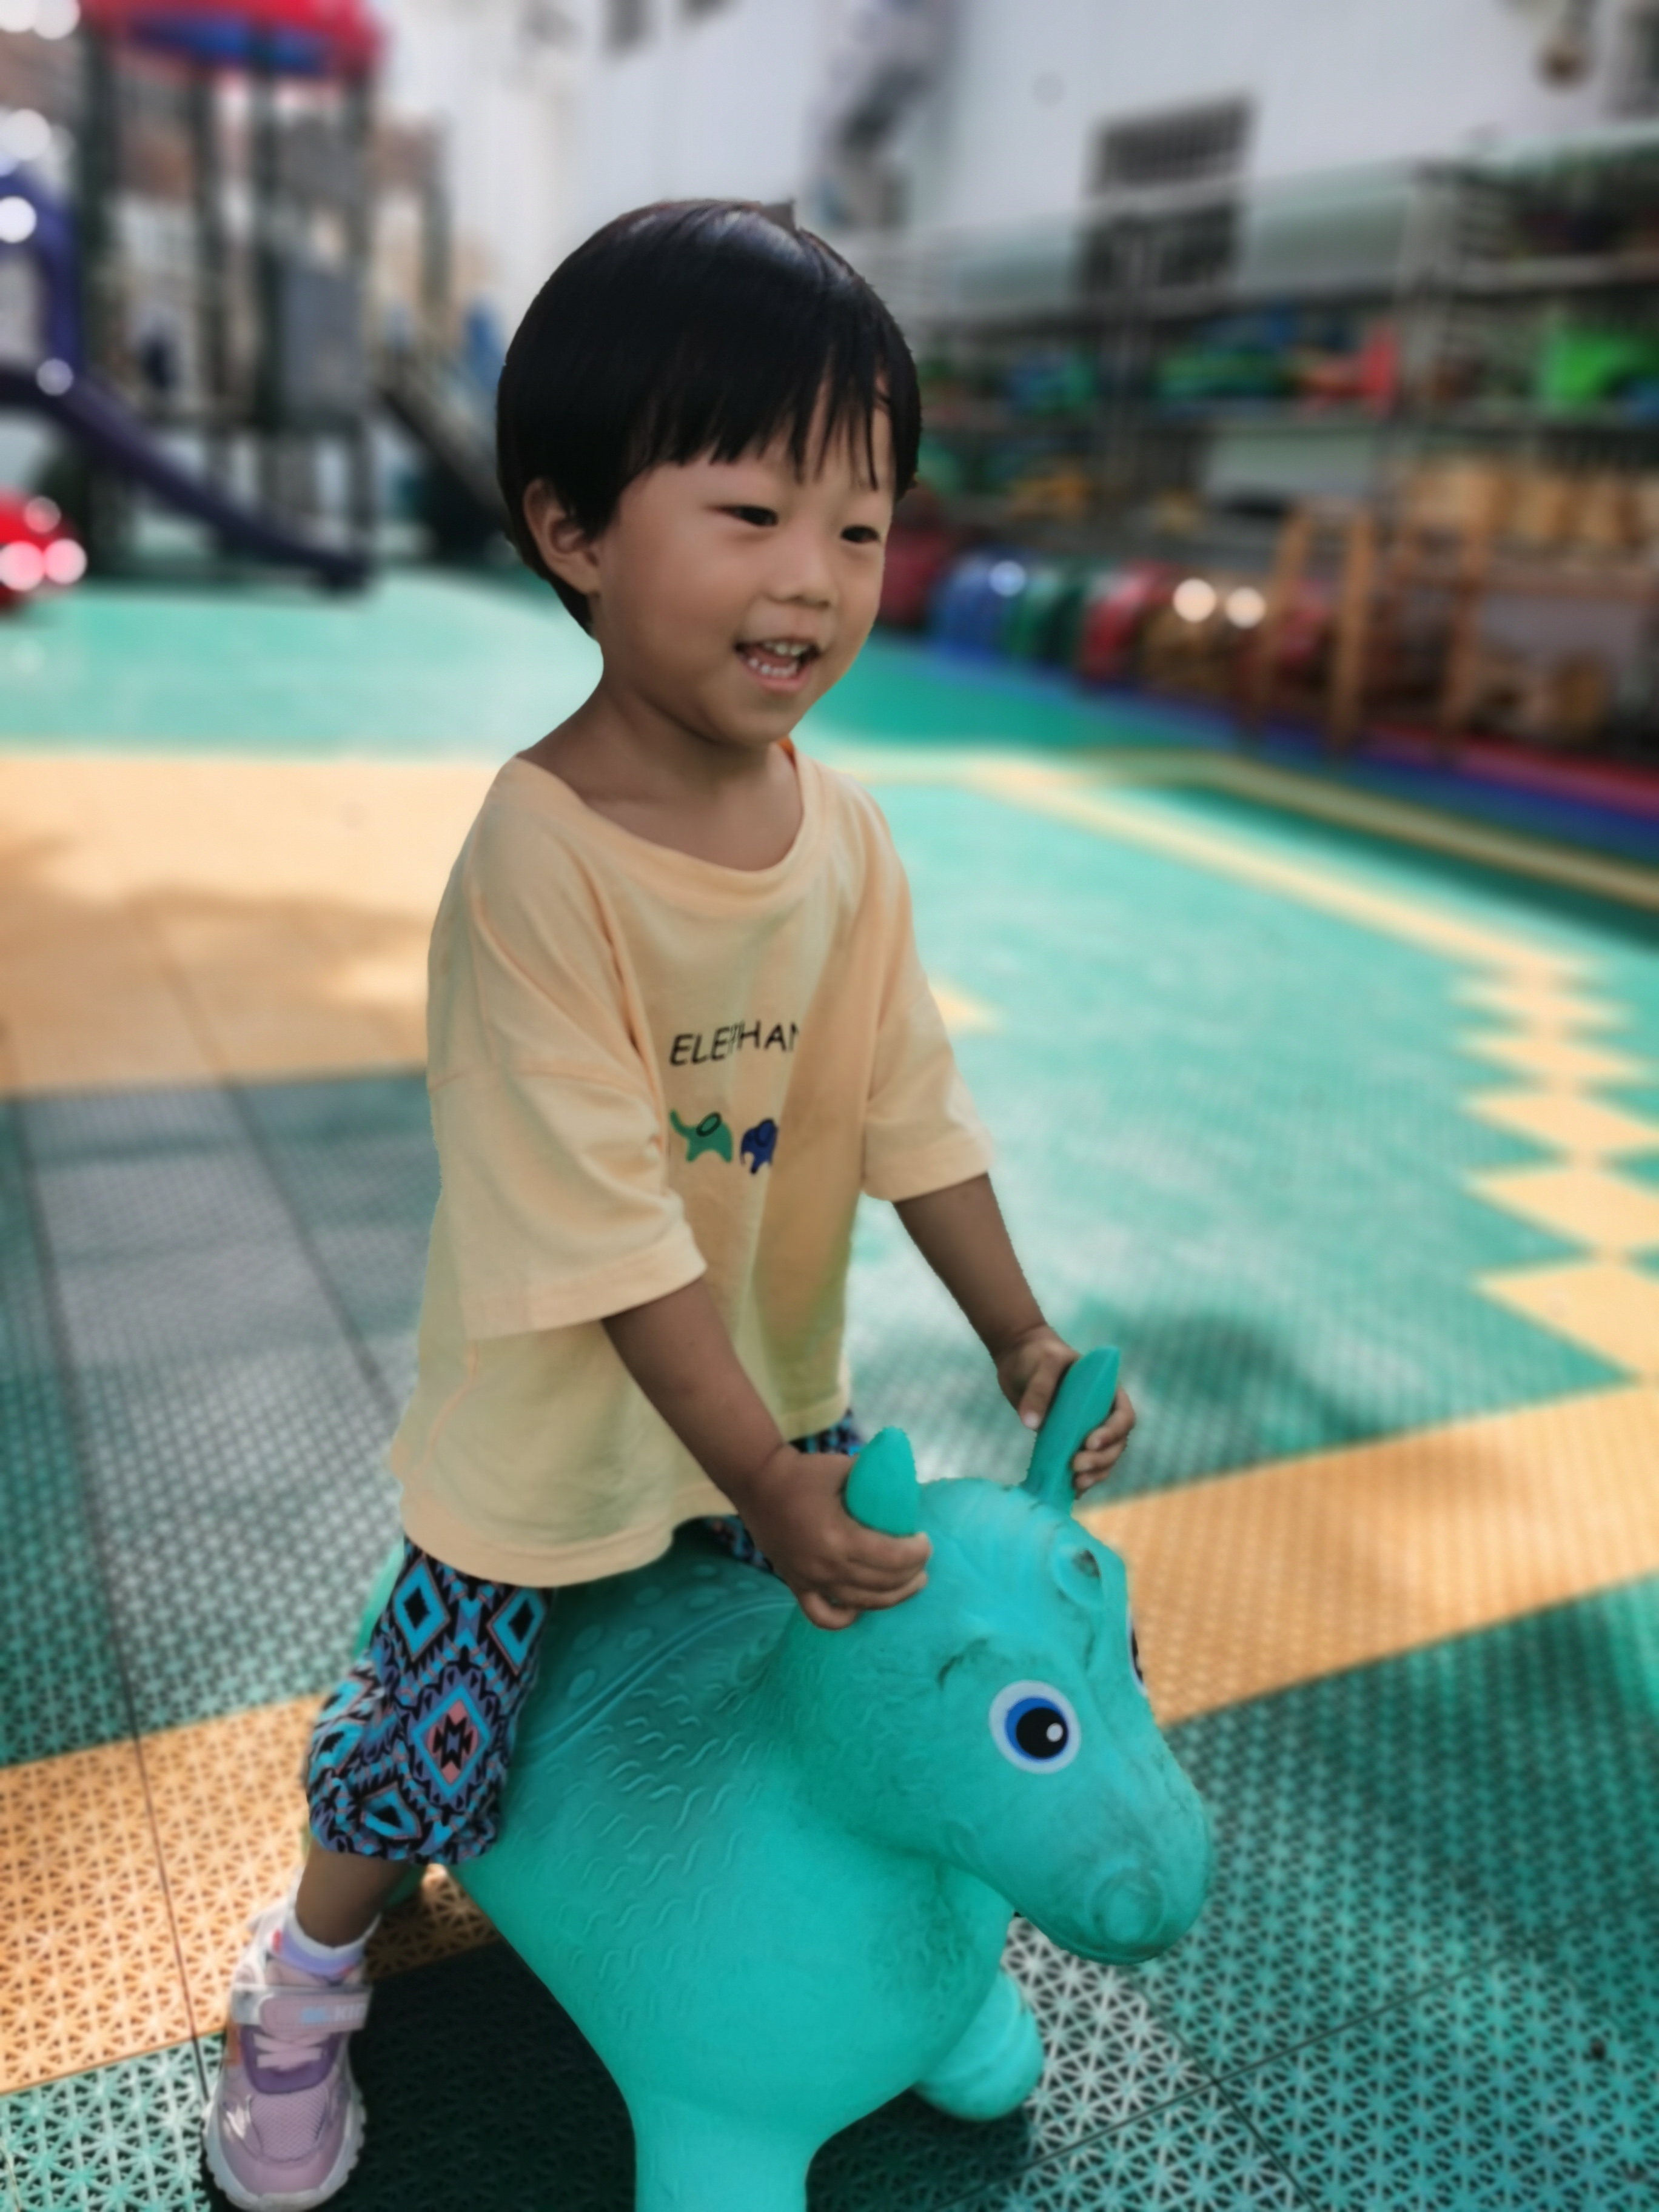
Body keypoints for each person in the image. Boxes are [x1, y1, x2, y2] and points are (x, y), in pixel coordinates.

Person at [201, 199, 1136, 2211]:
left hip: (770, 1414)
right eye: (753, 513)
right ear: (571, 530)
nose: (815, 578)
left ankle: (838, 1974)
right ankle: (307, 1975)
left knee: (813, 1704)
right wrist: (770, 1482)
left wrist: (1020, 1330)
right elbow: (609, 1228)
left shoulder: (846, 841)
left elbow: (910, 1105)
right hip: (549, 1453)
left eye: (861, 527)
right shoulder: (539, 864)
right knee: (427, 1737)